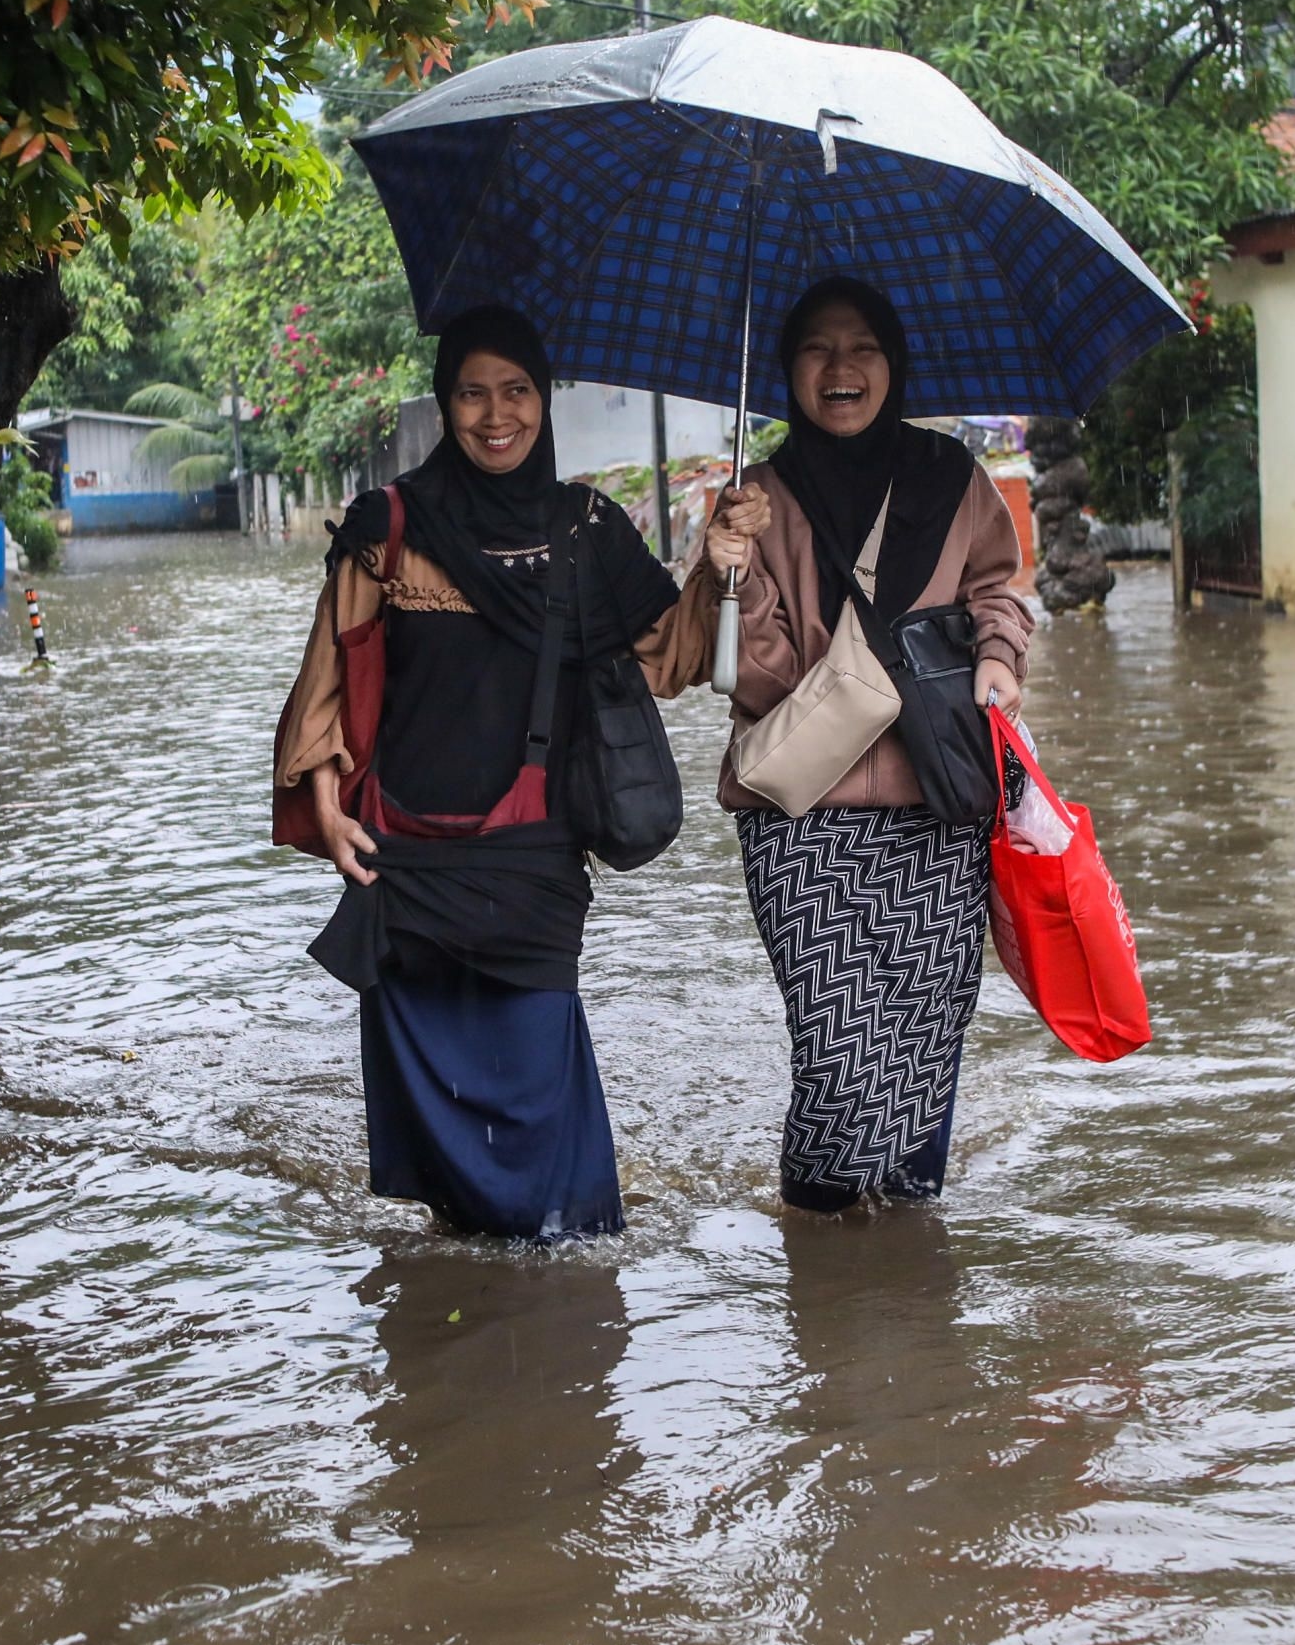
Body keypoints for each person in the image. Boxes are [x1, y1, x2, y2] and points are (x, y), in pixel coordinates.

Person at [273, 307, 758, 1241]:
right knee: (439, 1137)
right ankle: (474, 1291)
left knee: (546, 1133)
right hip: (402, 863)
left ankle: (555, 1285)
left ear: (544, 400)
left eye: (517, 391)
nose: (496, 415)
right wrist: (328, 814)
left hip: (536, 865)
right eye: (471, 393)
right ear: (445, 402)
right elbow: (326, 680)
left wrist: (716, 564)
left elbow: (673, 660)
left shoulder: (587, 528)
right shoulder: (388, 526)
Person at [707, 276, 1028, 1213]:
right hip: (801, 819)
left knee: (927, 1035)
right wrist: (729, 576)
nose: (840, 368)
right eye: (817, 348)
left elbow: (997, 591)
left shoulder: (953, 478)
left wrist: (998, 658)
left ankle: (905, 1239)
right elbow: (753, 679)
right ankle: (818, 1223)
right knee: (837, 1051)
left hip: (940, 804)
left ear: (894, 364)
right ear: (787, 370)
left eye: (862, 348)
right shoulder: (756, 501)